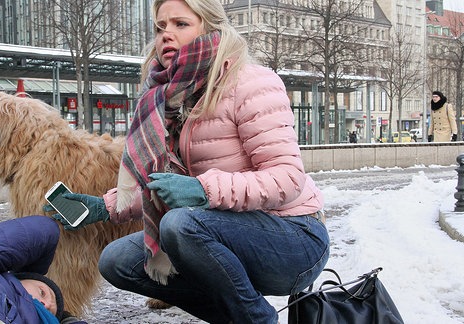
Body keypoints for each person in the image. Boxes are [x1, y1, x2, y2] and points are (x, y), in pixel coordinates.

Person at [47, 0, 329, 322]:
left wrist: (203, 190)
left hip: (293, 238)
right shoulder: (165, 99)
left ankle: (255, 319)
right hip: (222, 233)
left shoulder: (251, 82)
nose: (166, 35)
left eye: (180, 24)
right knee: (117, 259)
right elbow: (166, 188)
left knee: (179, 225)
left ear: (211, 28)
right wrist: (103, 207)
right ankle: (240, 315)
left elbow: (288, 179)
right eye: (160, 27)